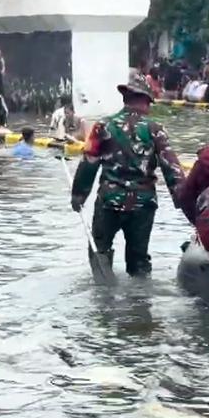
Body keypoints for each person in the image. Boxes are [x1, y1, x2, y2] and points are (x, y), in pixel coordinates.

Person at [70, 70, 185, 276]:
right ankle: (139, 305)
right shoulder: (155, 129)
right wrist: (183, 201)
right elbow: (172, 169)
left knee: (100, 252)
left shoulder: (103, 127)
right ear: (145, 101)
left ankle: (103, 297)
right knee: (139, 260)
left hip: (109, 202)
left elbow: (89, 164)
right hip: (143, 204)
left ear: (125, 98)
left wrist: (78, 196)